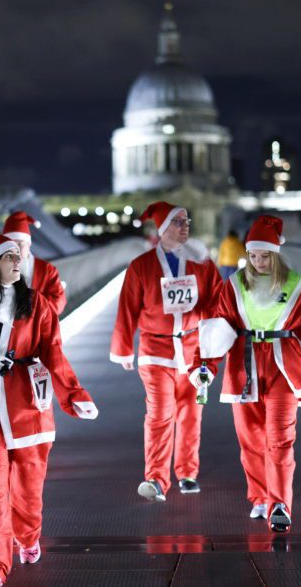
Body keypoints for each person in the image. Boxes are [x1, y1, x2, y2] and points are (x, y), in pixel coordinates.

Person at [0, 234, 98, 587]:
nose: (18, 261)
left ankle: (27, 536)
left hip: (27, 403)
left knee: (28, 485)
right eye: (9, 256)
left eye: (18, 256)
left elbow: (53, 351)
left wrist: (74, 394)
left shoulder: (37, 303)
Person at [195, 215, 301, 533]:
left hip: (284, 369)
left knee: (279, 439)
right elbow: (219, 328)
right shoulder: (234, 284)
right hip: (244, 368)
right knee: (250, 440)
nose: (258, 261)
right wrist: (206, 368)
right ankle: (260, 497)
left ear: (276, 253)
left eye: (264, 255)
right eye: (253, 255)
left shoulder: (296, 287)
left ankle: (280, 503)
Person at [109, 201, 221, 502]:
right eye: (178, 221)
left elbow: (216, 302)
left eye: (187, 220)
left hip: (193, 350)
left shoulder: (203, 263)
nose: (186, 226)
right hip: (155, 349)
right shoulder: (141, 266)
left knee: (191, 413)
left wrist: (214, 344)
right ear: (163, 229)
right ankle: (156, 479)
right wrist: (122, 349)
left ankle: (186, 472)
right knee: (160, 413)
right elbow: (127, 308)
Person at [2, 210, 66, 314]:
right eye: (9, 245)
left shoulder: (47, 270)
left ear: (29, 244)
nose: (14, 249)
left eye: (19, 244)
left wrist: (29, 300)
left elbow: (58, 303)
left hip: (37, 328)